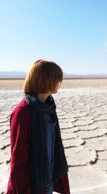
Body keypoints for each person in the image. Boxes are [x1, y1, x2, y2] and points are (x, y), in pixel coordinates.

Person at [6, 60, 71, 194]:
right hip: (32, 186)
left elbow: (55, 148)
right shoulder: (23, 111)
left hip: (47, 181)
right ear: (46, 80)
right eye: (57, 78)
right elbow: (18, 159)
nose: (60, 82)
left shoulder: (49, 108)